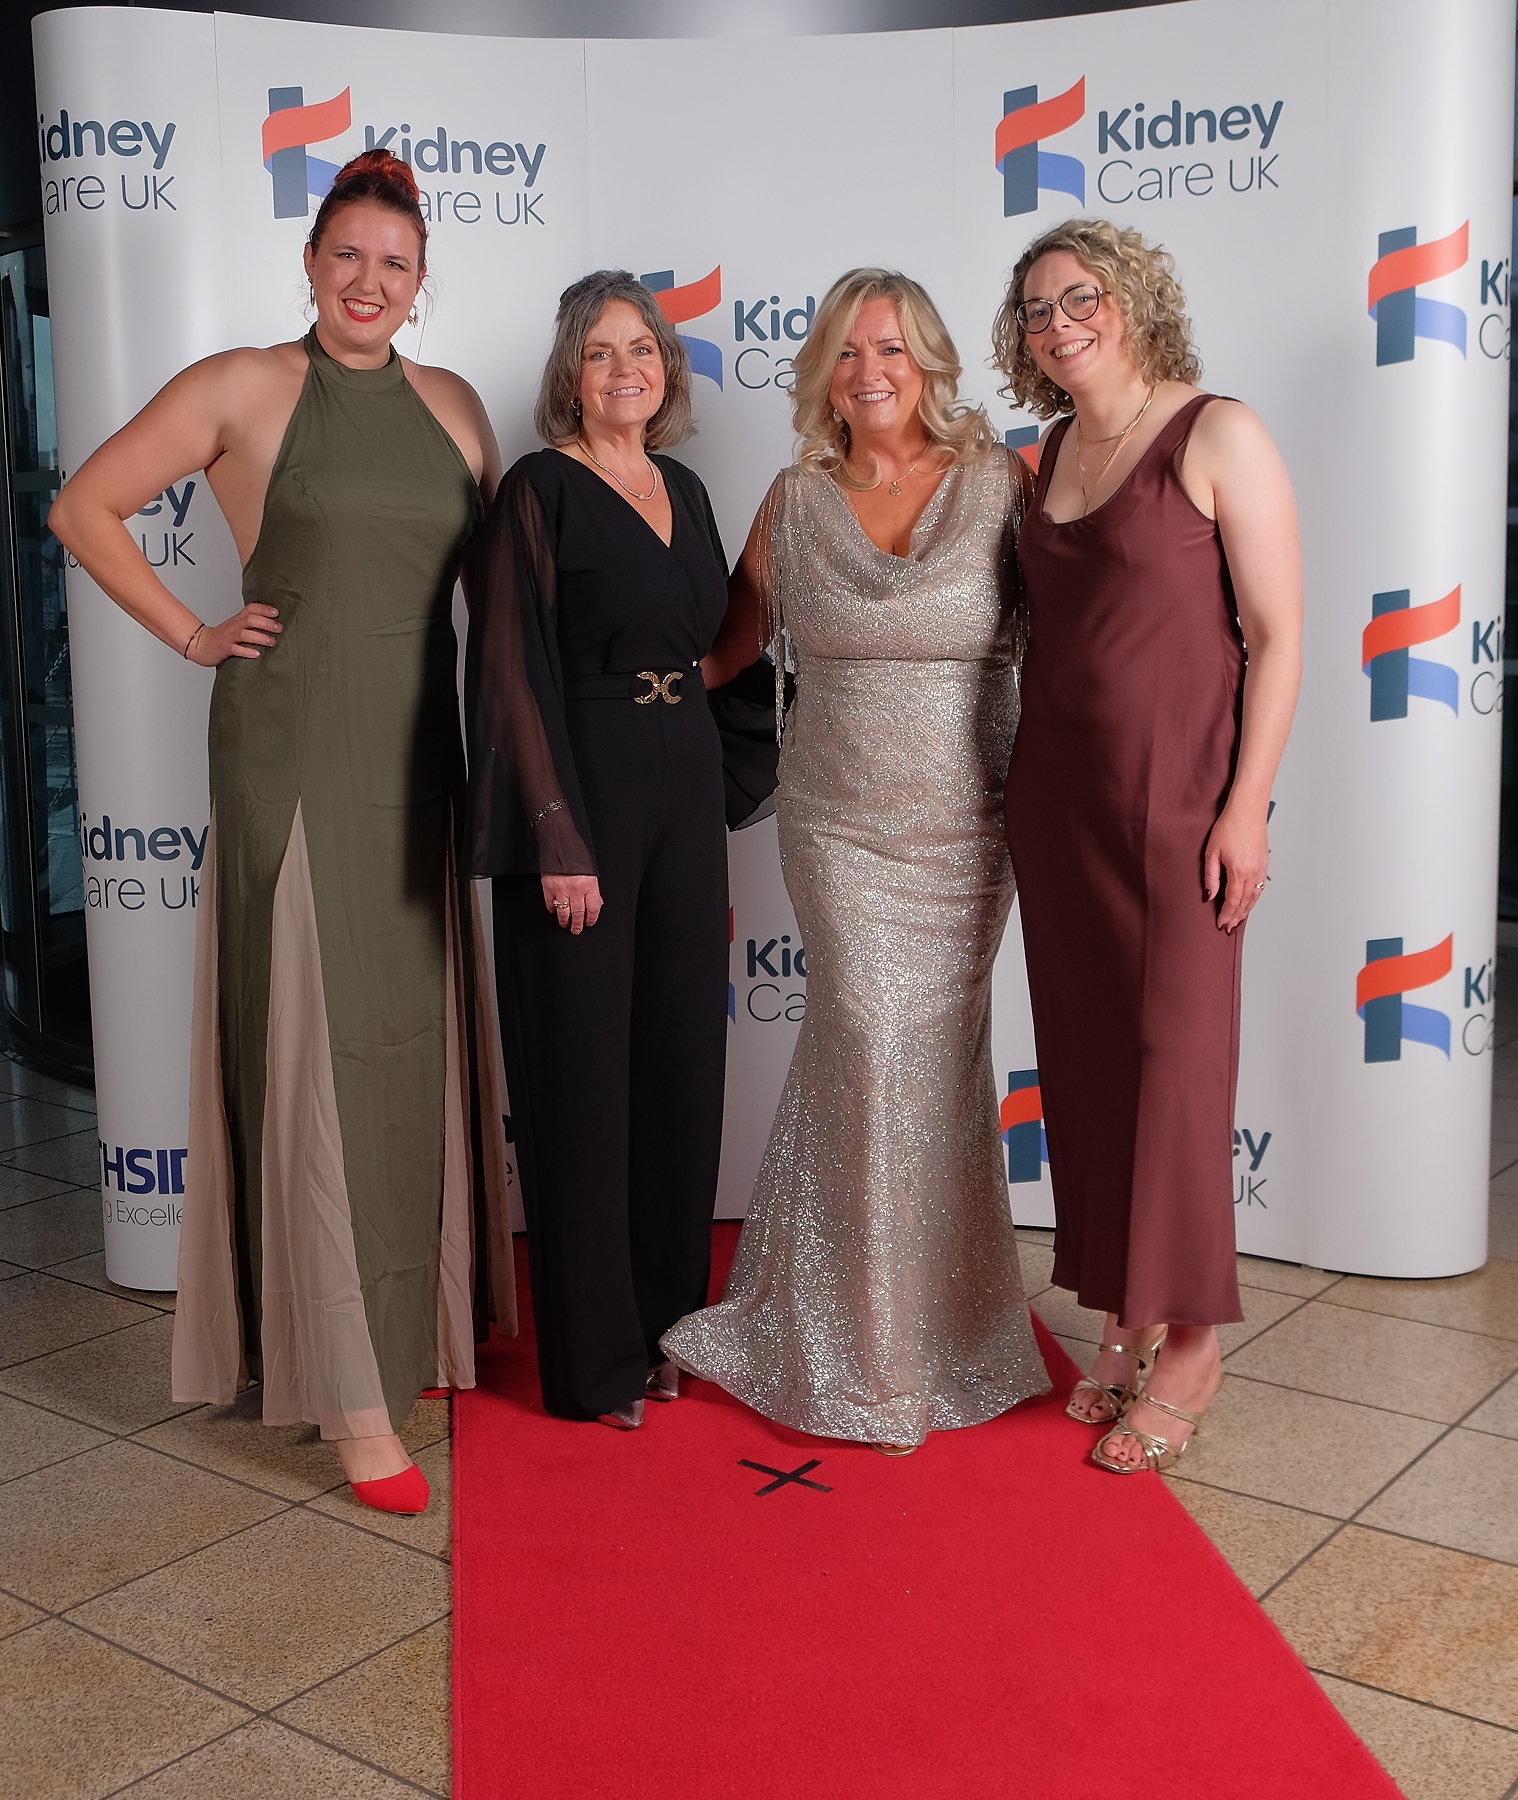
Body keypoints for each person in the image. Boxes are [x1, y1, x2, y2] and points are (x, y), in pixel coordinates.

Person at [50, 150, 510, 1515]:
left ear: (421, 283)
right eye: (346, 255)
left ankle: (413, 1324)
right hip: (294, 751)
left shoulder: (455, 404)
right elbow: (82, 505)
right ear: (310, 262)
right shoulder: (241, 385)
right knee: (315, 1051)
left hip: (422, 760)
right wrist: (194, 631)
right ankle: (348, 1393)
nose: (369, 281)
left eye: (395, 264)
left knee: (406, 1047)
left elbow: (501, 592)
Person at [660, 269, 1050, 1452]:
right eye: (846, 351)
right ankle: (870, 1359)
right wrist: (608, 693)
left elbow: (1075, 633)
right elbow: (728, 648)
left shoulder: (1003, 485)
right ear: (823, 374)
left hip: (969, 824)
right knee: (873, 1045)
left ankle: (945, 1326)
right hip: (835, 824)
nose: (869, 370)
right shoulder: (795, 500)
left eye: (890, 348)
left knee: (933, 1068)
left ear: (930, 361)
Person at [992, 219, 1302, 1474]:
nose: (1058, 324)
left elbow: (1277, 635)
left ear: (1131, 300)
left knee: (1175, 1064)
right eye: (1035, 310)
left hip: (1179, 805)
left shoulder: (1218, 432)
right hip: (1058, 803)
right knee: (1091, 1066)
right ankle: (1124, 1310)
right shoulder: (1046, 453)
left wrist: (1247, 805)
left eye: (1080, 298)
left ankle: (1193, 1344)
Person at [464, 271, 730, 1430]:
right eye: (601, 351)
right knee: (581, 1081)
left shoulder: (686, 488)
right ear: (570, 373)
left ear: (667, 369)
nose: (626, 369)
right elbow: (507, 665)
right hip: (581, 799)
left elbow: (716, 646)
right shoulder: (540, 489)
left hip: (685, 793)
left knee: (678, 1067)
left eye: (643, 349)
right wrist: (554, 832)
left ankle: (669, 1326)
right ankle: (595, 1364)